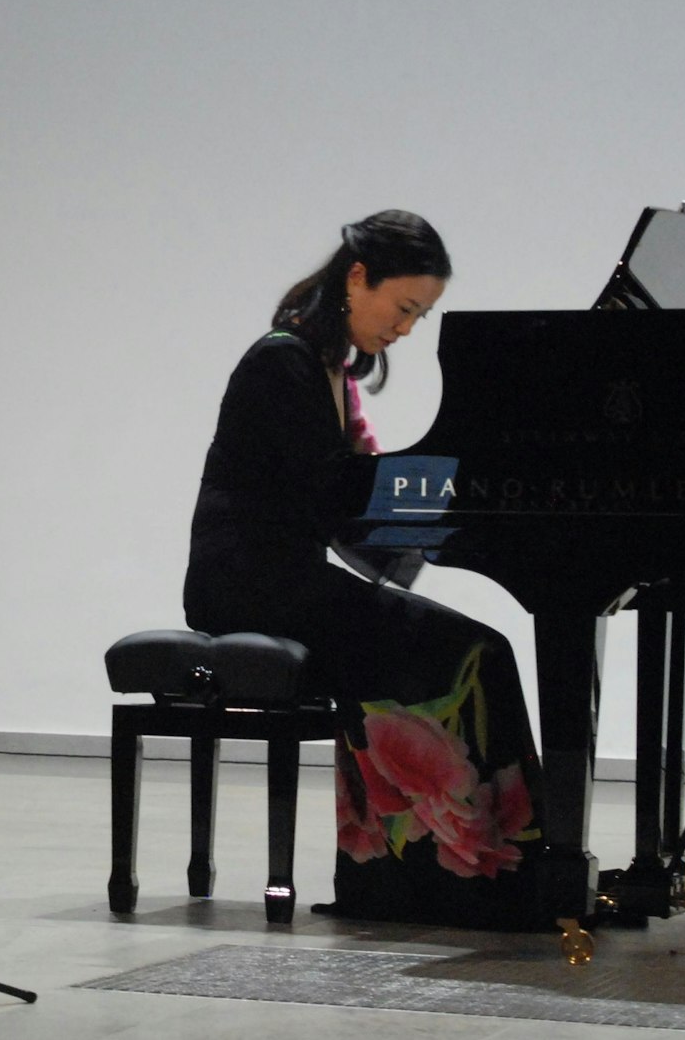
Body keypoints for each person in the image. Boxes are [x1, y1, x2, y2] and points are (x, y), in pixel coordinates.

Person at [183, 210, 545, 929]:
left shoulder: (323, 366)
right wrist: (442, 486)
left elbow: (336, 494)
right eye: (405, 307)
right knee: (476, 651)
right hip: (247, 583)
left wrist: (435, 501)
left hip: (284, 577)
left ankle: (456, 876)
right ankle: (462, 879)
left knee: (472, 649)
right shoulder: (281, 360)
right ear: (357, 278)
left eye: (422, 314)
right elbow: (329, 489)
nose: (408, 328)